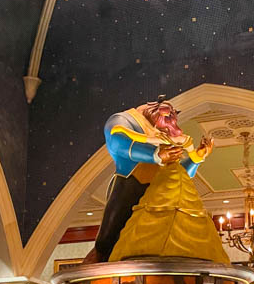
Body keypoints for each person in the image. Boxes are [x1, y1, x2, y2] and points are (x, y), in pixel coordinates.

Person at [86, 97, 213, 263]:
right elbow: (118, 144)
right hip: (130, 186)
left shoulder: (159, 132)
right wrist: (155, 155)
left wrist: (196, 158)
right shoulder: (123, 120)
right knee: (109, 241)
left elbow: (177, 174)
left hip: (158, 195)